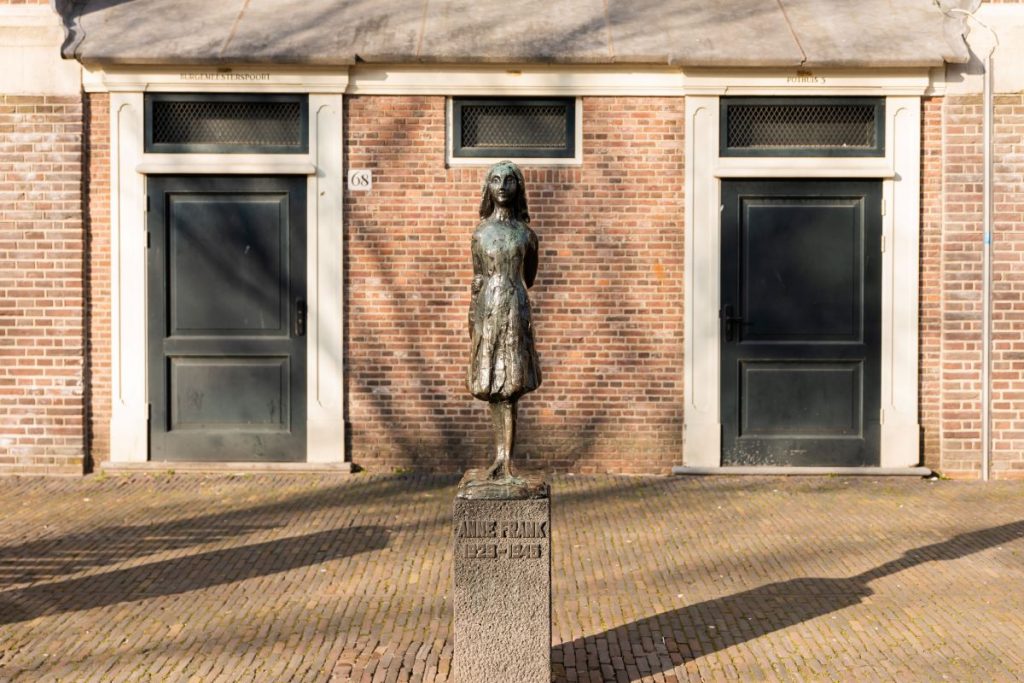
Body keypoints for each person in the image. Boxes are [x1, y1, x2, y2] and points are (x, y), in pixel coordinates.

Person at [466, 161, 541, 480]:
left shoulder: (526, 234)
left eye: (509, 180)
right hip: (487, 309)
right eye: (495, 180)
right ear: (488, 188)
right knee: (492, 384)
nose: (502, 186)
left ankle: (505, 459)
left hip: (514, 307)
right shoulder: (480, 234)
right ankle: (499, 457)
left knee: (511, 386)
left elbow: (530, 277)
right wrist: (475, 301)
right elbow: (479, 275)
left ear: (518, 187)